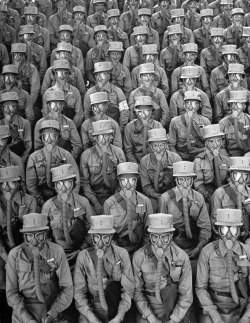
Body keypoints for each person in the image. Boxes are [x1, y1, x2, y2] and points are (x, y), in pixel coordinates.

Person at [6, 212, 73, 323]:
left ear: (46, 234)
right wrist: (27, 318)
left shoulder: (57, 252)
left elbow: (67, 289)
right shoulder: (15, 254)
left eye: (39, 235)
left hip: (52, 308)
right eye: (29, 236)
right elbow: (11, 293)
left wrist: (52, 314)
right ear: (24, 236)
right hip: (24, 311)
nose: (35, 241)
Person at [132, 213, 193, 323]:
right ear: (150, 236)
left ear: (171, 235)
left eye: (164, 237)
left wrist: (174, 319)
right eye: (155, 237)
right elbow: (137, 293)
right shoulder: (139, 257)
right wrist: (150, 317)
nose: (159, 243)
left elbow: (186, 295)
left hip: (175, 307)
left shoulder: (181, 257)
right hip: (148, 308)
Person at [74, 215, 135, 323]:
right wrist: (92, 318)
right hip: (92, 308)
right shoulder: (83, 256)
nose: (101, 242)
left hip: (117, 306)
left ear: (111, 237)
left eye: (105, 237)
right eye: (97, 237)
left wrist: (119, 317)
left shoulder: (121, 254)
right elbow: (79, 292)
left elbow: (128, 289)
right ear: (92, 237)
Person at [196, 208, 250, 323]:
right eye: (224, 229)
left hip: (241, 306)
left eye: (234, 229)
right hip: (213, 306)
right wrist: (215, 316)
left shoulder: (247, 252)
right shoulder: (207, 252)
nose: (229, 235)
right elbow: (201, 288)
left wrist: (247, 316)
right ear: (218, 230)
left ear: (240, 231)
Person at [159, 161, 211, 271]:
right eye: (181, 180)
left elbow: (205, 227)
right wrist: (175, 250)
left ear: (193, 180)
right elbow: (162, 230)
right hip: (172, 246)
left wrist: (198, 248)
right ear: (176, 180)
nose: (185, 184)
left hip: (194, 245)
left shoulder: (199, 198)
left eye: (188, 179)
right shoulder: (166, 198)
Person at [0, 165, 36, 323]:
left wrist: (22, 220)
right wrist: (7, 258)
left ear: (19, 184)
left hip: (24, 249)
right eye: (4, 184)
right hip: (3, 252)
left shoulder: (29, 201)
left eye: (12, 183)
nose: (8, 188)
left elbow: (34, 230)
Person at [42, 164, 92, 266]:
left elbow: (91, 230)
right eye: (59, 184)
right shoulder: (48, 207)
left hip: (81, 251)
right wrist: (56, 254)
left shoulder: (83, 202)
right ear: (55, 187)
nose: (63, 188)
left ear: (73, 184)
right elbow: (44, 236)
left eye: (68, 183)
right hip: (57, 254)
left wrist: (80, 250)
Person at [26, 120, 80, 209]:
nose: (49, 140)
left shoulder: (66, 155)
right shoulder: (34, 158)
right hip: (42, 198)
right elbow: (31, 186)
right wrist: (41, 201)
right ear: (41, 138)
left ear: (58, 138)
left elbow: (76, 180)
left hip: (65, 196)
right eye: (46, 136)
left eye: (53, 136)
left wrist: (70, 199)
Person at [104, 162, 153, 254]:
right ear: (118, 181)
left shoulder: (145, 201)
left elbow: (149, 231)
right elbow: (108, 234)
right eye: (124, 181)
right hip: (118, 248)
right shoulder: (109, 203)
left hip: (140, 247)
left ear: (137, 180)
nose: (128, 185)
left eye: (132, 180)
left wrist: (143, 252)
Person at [80, 120, 126, 214]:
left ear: (111, 136)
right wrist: (95, 202)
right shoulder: (86, 155)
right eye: (100, 136)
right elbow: (85, 183)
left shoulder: (118, 152)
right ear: (95, 138)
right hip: (95, 195)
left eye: (107, 135)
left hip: (115, 193)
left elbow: (124, 178)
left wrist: (116, 198)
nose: (104, 140)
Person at [140, 128, 182, 212]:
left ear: (166, 145)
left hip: (173, 194)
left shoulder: (175, 158)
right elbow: (146, 186)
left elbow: (181, 182)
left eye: (161, 145)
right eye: (155, 146)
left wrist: (169, 195)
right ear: (150, 146)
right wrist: (156, 195)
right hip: (153, 196)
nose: (158, 149)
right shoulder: (144, 161)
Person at [34, 90, 83, 161]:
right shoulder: (40, 123)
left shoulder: (69, 122)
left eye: (59, 105)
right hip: (45, 160)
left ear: (63, 106)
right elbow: (37, 147)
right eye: (53, 105)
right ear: (48, 106)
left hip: (64, 159)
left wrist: (69, 159)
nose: (56, 108)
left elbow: (77, 145)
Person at [210, 157, 250, 240]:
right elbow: (215, 223)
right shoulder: (219, 193)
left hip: (247, 236)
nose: (241, 180)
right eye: (237, 175)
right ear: (230, 174)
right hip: (226, 238)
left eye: (245, 176)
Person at [84, 61, 129, 134]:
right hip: (96, 130)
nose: (99, 78)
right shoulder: (90, 93)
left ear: (109, 75)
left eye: (103, 74)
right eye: (97, 75)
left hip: (114, 128)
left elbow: (124, 112)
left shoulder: (117, 91)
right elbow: (87, 114)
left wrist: (120, 129)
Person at [169, 90, 211, 161]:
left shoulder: (205, 121)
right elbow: (171, 145)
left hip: (200, 156)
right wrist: (177, 160)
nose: (190, 107)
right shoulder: (175, 122)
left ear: (198, 106)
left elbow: (211, 144)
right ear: (184, 105)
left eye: (194, 104)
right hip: (181, 156)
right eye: (187, 103)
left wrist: (200, 151)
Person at [193, 124, 229, 204]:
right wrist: (211, 199)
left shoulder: (225, 160)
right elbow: (198, 185)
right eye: (211, 142)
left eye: (218, 141)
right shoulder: (199, 161)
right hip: (205, 196)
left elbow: (228, 181)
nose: (215, 145)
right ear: (206, 143)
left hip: (222, 193)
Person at [43, 59, 83, 129]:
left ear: (68, 74)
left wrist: (70, 128)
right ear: (54, 74)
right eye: (59, 73)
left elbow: (79, 115)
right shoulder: (48, 93)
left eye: (65, 73)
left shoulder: (75, 91)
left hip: (71, 126)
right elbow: (46, 115)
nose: (62, 76)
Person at [129, 63, 170, 128]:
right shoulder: (134, 94)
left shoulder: (159, 92)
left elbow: (165, 111)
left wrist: (160, 126)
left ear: (153, 77)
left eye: (150, 75)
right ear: (140, 77)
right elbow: (132, 114)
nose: (147, 78)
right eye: (144, 75)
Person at [124, 96, 163, 164]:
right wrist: (137, 166)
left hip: (154, 162)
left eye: (147, 111)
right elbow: (128, 151)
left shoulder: (157, 126)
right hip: (136, 162)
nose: (144, 115)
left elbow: (162, 149)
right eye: (140, 111)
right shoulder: (129, 127)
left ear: (151, 111)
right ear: (135, 112)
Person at [0, 91, 32, 163]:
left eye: (11, 107)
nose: (8, 111)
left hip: (20, 158)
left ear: (16, 108)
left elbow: (28, 146)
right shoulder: (0, 123)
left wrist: (20, 161)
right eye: (5, 107)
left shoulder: (25, 123)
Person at [219, 90, 250, 157]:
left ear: (244, 106)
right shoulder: (223, 123)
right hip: (231, 155)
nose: (235, 107)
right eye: (233, 104)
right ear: (230, 106)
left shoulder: (248, 119)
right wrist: (227, 159)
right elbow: (221, 146)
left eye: (239, 104)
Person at [10, 43, 40, 110]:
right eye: (15, 55)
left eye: (20, 55)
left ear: (25, 56)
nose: (17, 58)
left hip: (26, 100)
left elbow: (35, 90)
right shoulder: (8, 69)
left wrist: (29, 106)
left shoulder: (32, 69)